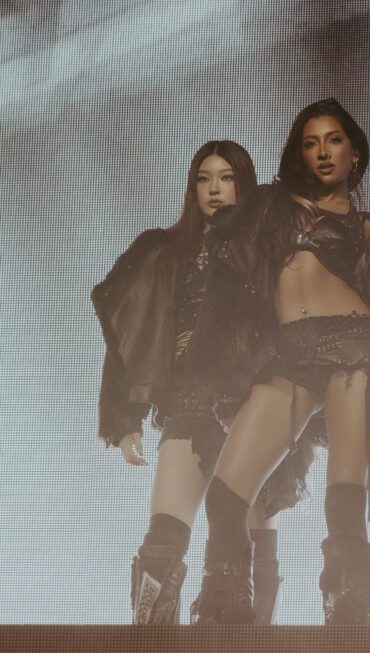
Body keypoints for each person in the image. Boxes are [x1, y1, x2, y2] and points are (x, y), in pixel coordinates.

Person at [188, 99, 370, 625]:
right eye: (310, 142)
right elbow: (227, 287)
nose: (323, 151)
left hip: (355, 346)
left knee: (344, 498)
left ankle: (349, 615)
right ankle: (227, 612)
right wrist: (228, 387)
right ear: (298, 153)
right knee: (227, 494)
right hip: (289, 356)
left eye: (334, 140)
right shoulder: (268, 207)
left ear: (354, 153)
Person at [93, 140, 312, 624]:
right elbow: (129, 331)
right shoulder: (164, 253)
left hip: (255, 400)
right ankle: (153, 650)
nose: (215, 189)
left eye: (227, 178)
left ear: (244, 185)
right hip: (190, 401)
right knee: (162, 544)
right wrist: (125, 416)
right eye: (204, 178)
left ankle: (247, 652)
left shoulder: (270, 250)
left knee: (248, 544)